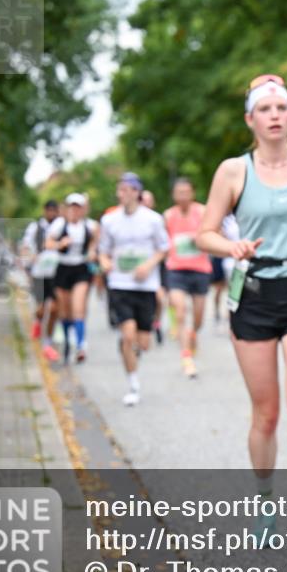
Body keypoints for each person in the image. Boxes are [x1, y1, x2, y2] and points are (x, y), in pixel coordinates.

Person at [197, 74, 287, 545]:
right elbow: (205, 232)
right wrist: (231, 247)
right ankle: (264, 505)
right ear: (251, 119)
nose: (275, 115)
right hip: (254, 298)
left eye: (282, 107)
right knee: (267, 415)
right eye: (265, 109)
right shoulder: (233, 171)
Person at [99, 173, 170, 406]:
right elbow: (102, 251)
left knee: (144, 343)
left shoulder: (153, 219)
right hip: (120, 285)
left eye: (127, 189)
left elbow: (163, 248)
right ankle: (133, 383)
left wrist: (148, 266)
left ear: (137, 192)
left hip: (145, 286)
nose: (122, 193)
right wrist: (105, 262)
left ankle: (131, 349)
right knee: (128, 335)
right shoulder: (109, 221)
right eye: (119, 189)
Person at [163, 177, 214, 378]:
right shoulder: (168, 216)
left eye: (186, 191)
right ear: (174, 195)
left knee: (199, 318)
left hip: (200, 270)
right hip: (176, 270)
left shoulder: (202, 212)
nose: (183, 195)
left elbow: (214, 234)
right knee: (181, 312)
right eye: (179, 192)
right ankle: (186, 358)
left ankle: (193, 334)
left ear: (192, 193)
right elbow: (162, 242)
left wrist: (199, 239)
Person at [46, 193, 99, 364]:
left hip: (80, 269)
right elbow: (48, 243)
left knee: (78, 307)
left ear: (83, 209)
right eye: (71, 207)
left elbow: (95, 243)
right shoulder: (59, 225)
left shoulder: (90, 226)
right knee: (65, 310)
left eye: (78, 207)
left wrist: (92, 252)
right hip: (63, 269)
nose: (74, 210)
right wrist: (59, 244)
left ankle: (81, 344)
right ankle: (69, 340)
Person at [21, 199, 60, 358]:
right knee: (42, 306)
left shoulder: (60, 226)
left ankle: (48, 341)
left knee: (55, 308)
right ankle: (38, 321)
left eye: (54, 210)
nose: (51, 213)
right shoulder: (35, 227)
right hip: (39, 273)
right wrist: (30, 260)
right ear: (45, 211)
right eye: (49, 210)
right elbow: (25, 246)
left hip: (56, 272)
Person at [141, 189, 167, 345]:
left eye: (148, 200)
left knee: (159, 298)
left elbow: (165, 246)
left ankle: (156, 322)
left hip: (156, 267)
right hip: (138, 270)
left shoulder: (157, 220)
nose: (145, 203)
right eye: (143, 200)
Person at [210, 214, 241, 336]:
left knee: (234, 291)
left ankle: (232, 320)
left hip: (240, 261)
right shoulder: (223, 218)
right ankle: (218, 312)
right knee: (220, 289)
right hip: (225, 259)